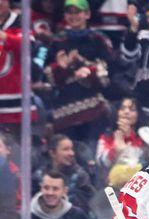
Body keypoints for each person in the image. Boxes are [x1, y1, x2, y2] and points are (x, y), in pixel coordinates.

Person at [44, 0, 113, 141]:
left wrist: (88, 71)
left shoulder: (99, 39)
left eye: (78, 12)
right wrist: (62, 68)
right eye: (69, 12)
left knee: (93, 150)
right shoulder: (57, 41)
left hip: (93, 112)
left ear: (87, 14)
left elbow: (111, 71)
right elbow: (46, 76)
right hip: (64, 112)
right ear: (65, 15)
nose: (73, 16)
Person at [32, 170, 105, 219]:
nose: (50, 193)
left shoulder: (76, 215)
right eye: (46, 188)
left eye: (55, 189)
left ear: (64, 191)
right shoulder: (28, 216)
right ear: (41, 189)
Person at [35, 134, 95, 215]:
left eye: (71, 149)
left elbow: (89, 206)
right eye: (66, 149)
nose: (71, 153)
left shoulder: (80, 177)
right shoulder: (39, 176)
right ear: (52, 153)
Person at [96, 97, 149, 173]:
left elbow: (148, 159)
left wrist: (130, 137)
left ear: (138, 114)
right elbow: (101, 163)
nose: (126, 112)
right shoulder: (106, 137)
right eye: (122, 109)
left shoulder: (145, 136)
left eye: (132, 109)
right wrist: (115, 149)